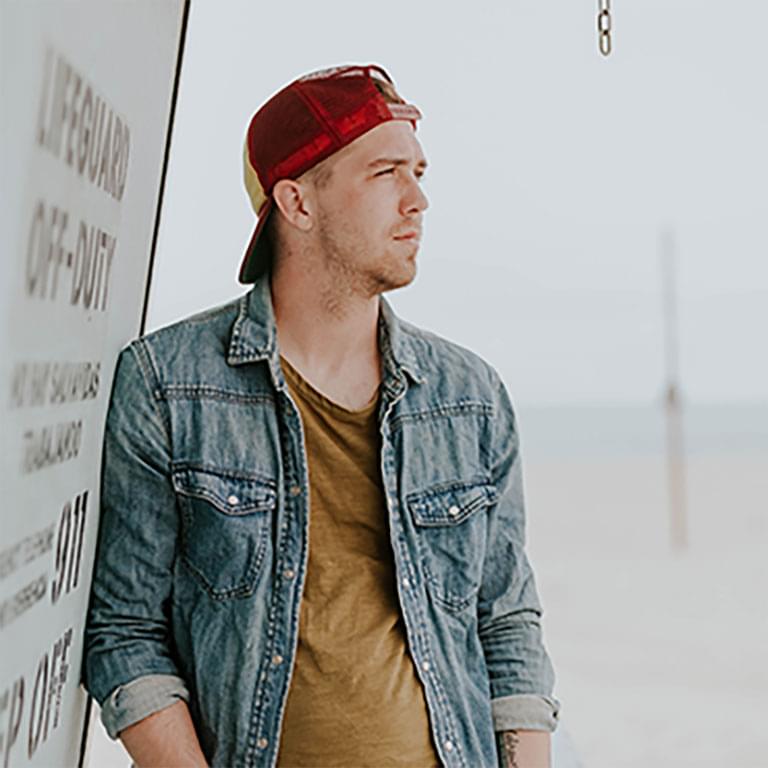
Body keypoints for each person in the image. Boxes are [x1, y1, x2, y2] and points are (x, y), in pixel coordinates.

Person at [83, 64, 560, 768]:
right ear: (297, 202)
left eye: (418, 172)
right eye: (386, 173)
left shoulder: (470, 397)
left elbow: (508, 624)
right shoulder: (168, 385)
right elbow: (124, 632)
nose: (418, 199)